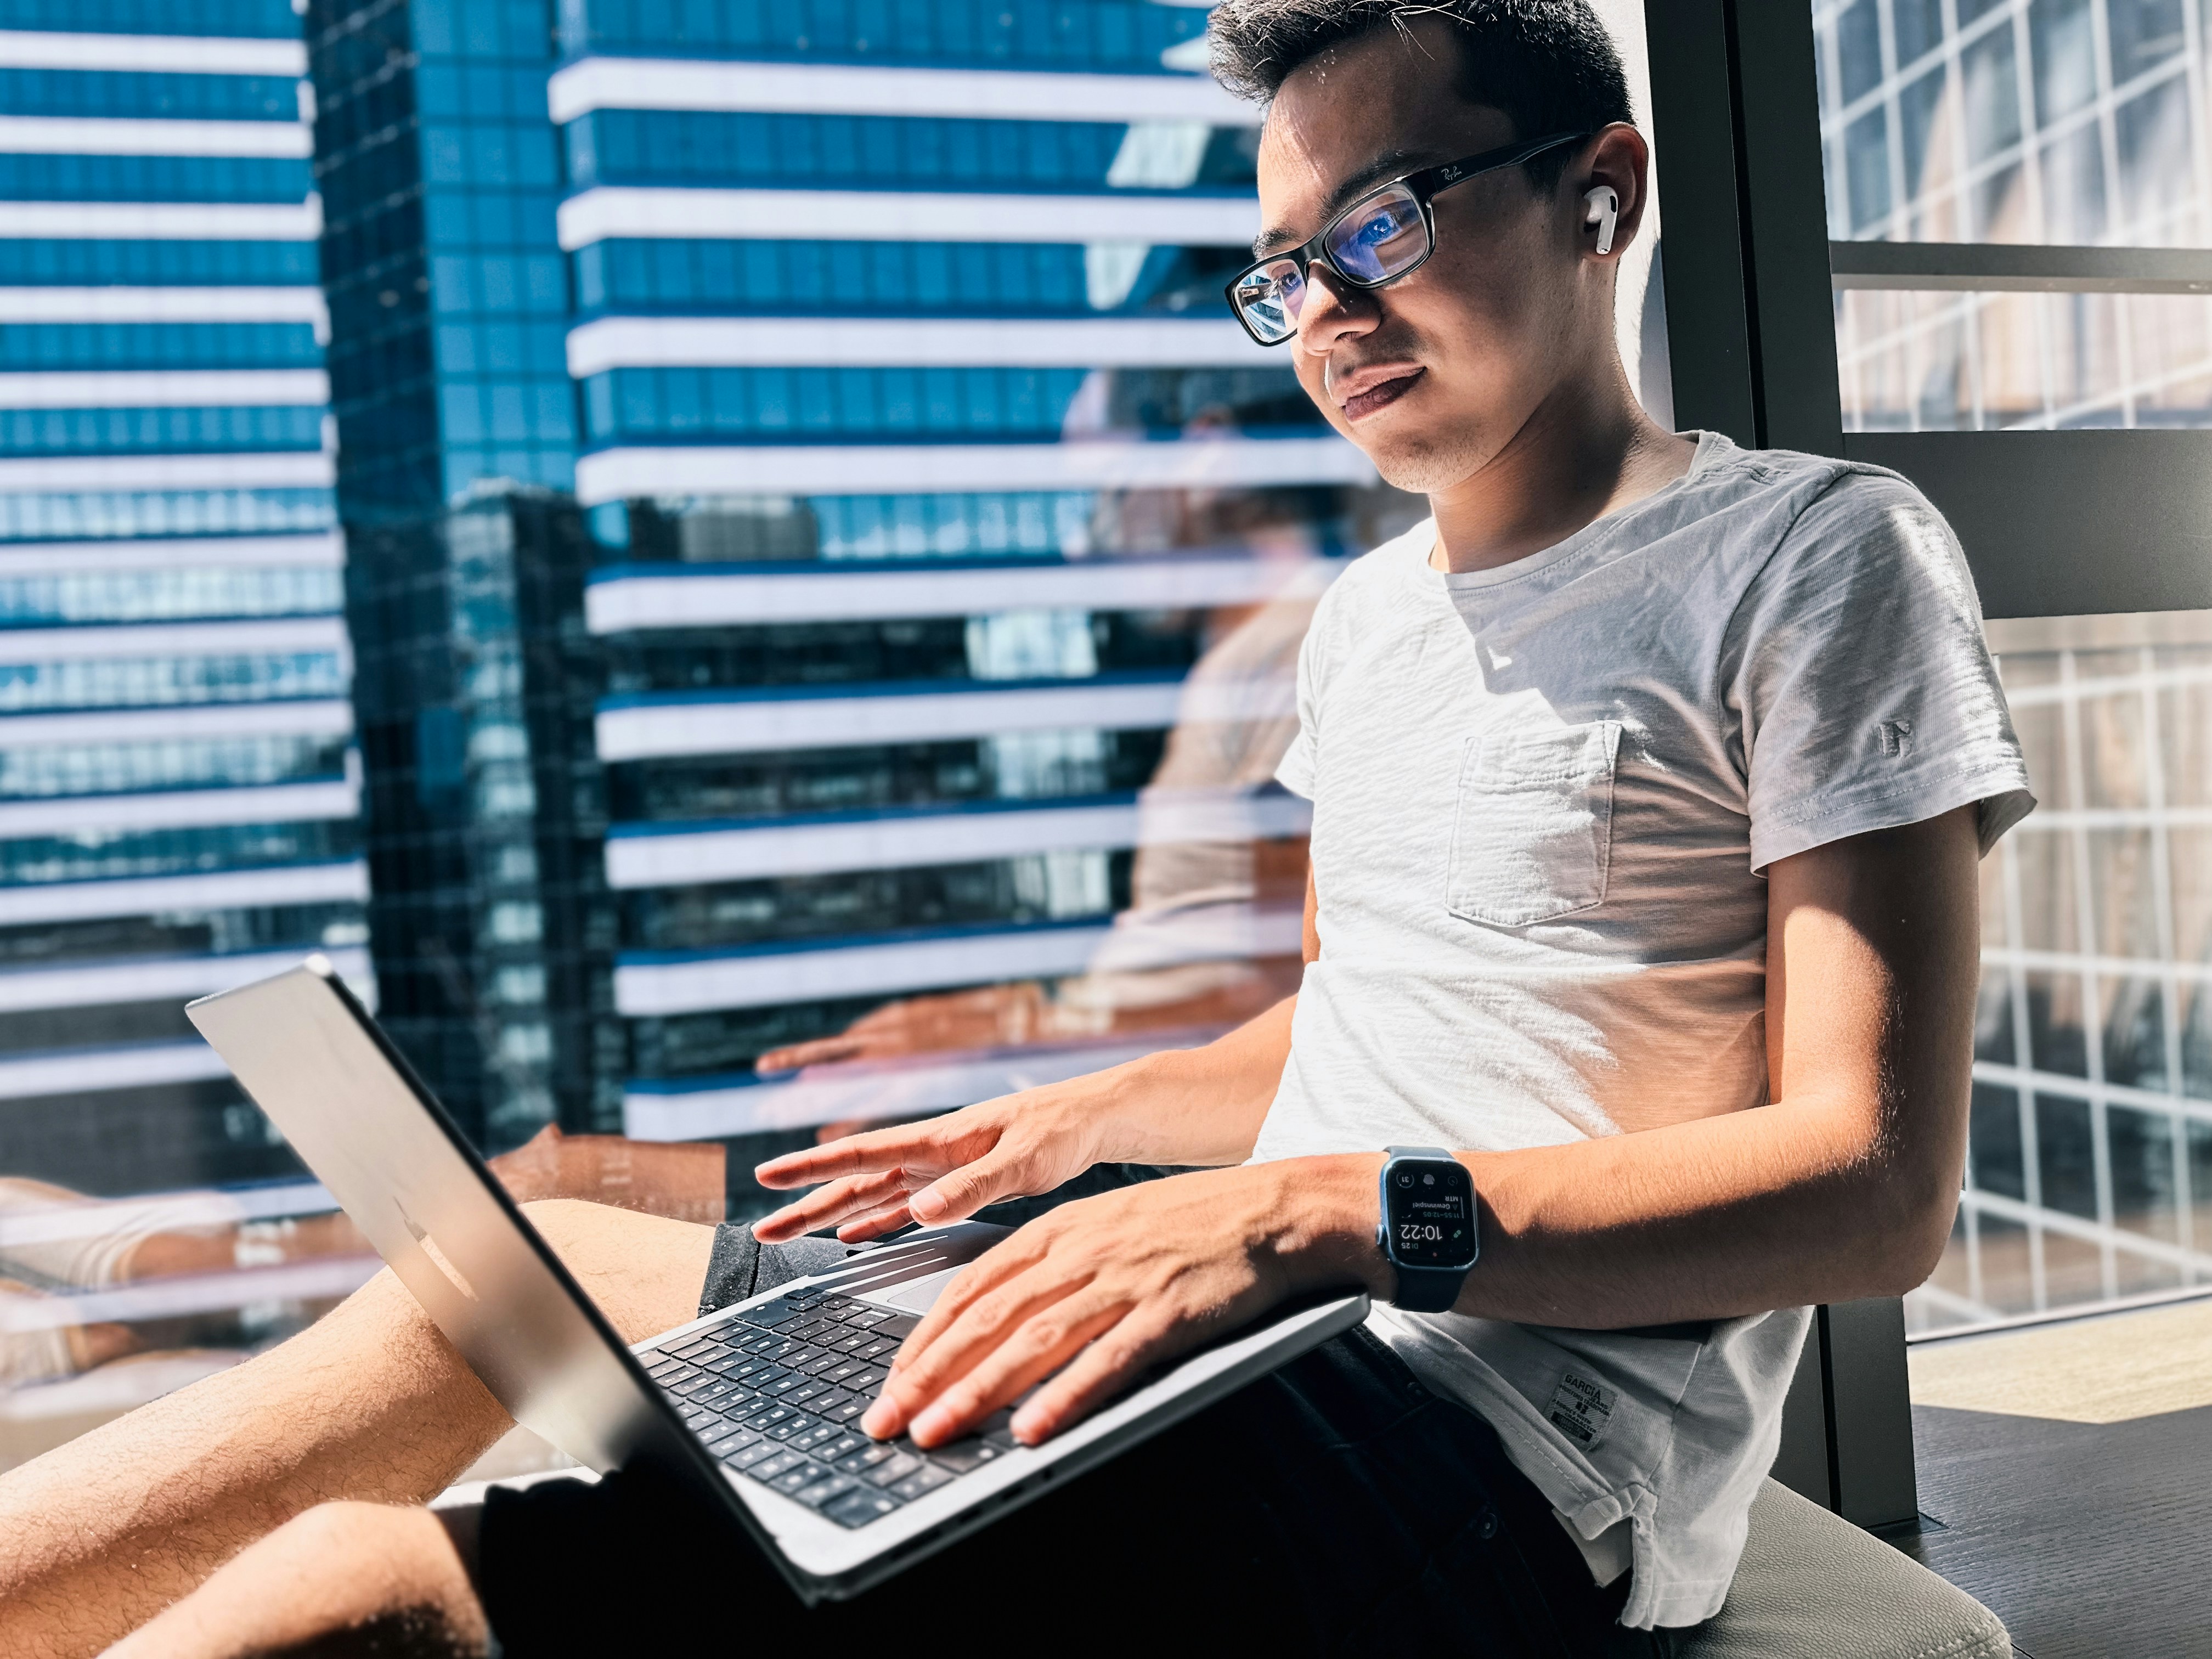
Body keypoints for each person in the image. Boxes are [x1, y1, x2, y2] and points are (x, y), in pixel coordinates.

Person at [0, 3, 2034, 1654]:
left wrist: (1306, 1213)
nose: (1327, 307)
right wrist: (1095, 1116)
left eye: (1386, 224)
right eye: (1287, 269)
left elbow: (1870, 1193)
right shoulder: (1366, 620)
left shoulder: (1814, 558)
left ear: (1603, 190)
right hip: (1253, 1323)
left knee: (369, 1597)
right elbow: (1348, 1015)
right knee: (476, 1286)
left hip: (1501, 1444)